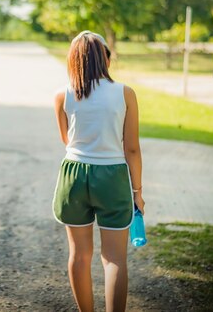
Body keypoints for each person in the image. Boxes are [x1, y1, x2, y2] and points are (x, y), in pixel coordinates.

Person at [52, 30, 145, 312]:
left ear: (73, 60)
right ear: (106, 59)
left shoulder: (62, 95)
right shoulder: (125, 93)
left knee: (79, 256)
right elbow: (131, 149)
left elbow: (66, 140)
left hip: (74, 176)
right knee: (114, 258)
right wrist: (137, 192)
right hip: (113, 176)